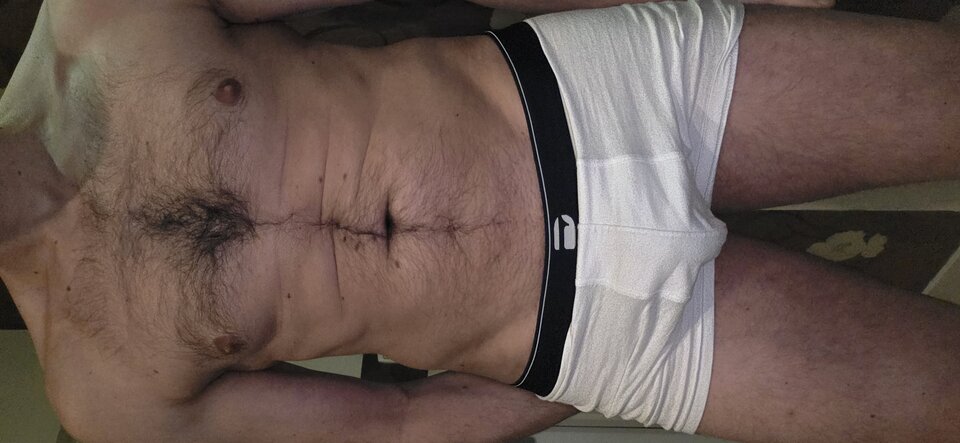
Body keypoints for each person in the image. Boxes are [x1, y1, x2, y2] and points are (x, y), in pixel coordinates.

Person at [1, 0, 958, 441]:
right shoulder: (101, 392)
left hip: (601, 97)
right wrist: (604, 374)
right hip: (598, 335)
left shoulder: (106, 16)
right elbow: (397, 428)